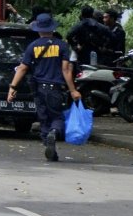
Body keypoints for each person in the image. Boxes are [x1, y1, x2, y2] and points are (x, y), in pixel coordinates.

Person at [7, 13, 84, 162]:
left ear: (38, 29)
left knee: (44, 119)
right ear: (52, 28)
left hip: (39, 89)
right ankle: (54, 133)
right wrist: (73, 90)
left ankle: (49, 144)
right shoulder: (62, 46)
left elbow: (22, 68)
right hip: (56, 89)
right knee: (57, 117)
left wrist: (12, 87)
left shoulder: (32, 46)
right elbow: (66, 70)